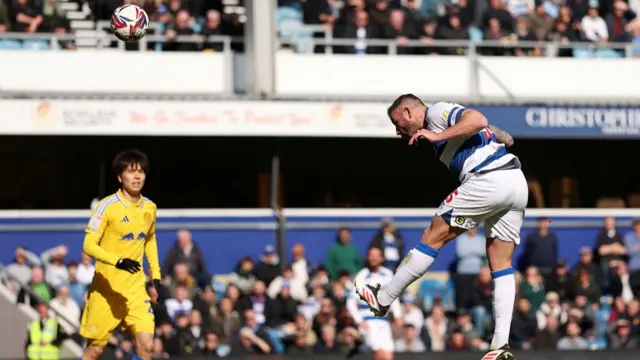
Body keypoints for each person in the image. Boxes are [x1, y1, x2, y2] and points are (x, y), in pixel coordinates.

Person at [355, 95, 525, 360]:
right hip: (515, 182)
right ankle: (500, 346)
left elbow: (477, 118)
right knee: (500, 263)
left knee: (431, 237)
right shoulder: (443, 124)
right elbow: (490, 130)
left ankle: (384, 298)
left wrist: (437, 136)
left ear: (408, 112)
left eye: (397, 123)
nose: (397, 130)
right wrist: (498, 133)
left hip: (487, 180)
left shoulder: (436, 113)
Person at [79, 149, 164, 360]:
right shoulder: (106, 207)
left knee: (146, 346)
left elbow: (150, 240)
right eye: (131, 171)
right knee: (95, 350)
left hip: (135, 290)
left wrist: (156, 276)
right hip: (106, 290)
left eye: (141, 172)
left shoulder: (150, 208)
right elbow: (88, 245)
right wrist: (117, 261)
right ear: (120, 177)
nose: (137, 177)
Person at [347, 247, 401, 360]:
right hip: (368, 321)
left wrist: (398, 315)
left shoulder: (388, 274)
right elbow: (351, 302)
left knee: (389, 356)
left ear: (381, 258)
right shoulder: (361, 275)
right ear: (367, 257)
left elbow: (394, 297)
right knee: (378, 355)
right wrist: (359, 321)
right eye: (371, 255)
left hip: (384, 322)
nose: (373, 258)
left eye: (376, 255)